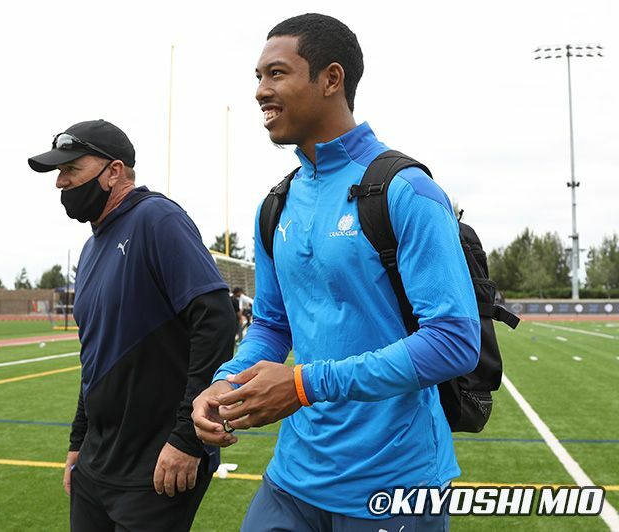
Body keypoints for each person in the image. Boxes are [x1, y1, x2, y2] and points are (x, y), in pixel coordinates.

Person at [192, 13, 480, 531]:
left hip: (394, 485)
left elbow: (455, 342)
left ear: (331, 79)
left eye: (276, 74)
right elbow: (272, 326)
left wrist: (303, 385)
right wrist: (225, 382)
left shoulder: (406, 191)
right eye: (257, 77)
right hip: (292, 481)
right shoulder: (274, 205)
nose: (261, 91)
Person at [28, 119, 236, 531]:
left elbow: (215, 320)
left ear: (114, 171)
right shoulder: (90, 249)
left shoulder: (156, 218)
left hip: (157, 464)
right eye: (58, 172)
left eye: (71, 169)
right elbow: (95, 357)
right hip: (97, 463)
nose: (60, 182)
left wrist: (186, 439)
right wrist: (77, 442)